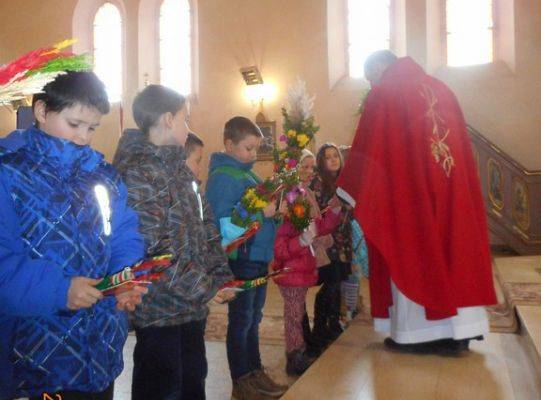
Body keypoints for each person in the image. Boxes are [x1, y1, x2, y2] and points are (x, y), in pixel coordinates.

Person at [336, 50, 497, 355]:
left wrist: (347, 189)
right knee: (454, 251)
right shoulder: (442, 89)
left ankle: (420, 335)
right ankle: (461, 329)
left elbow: (369, 152)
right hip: (452, 193)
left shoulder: (386, 94)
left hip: (410, 198)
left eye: (371, 77)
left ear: (380, 69)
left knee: (412, 252)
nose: (372, 85)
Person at [0, 71, 146, 400]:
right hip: (36, 351)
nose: (83, 137)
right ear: (41, 111)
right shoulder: (8, 172)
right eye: (74, 123)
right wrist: (61, 290)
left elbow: (123, 232)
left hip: (100, 346)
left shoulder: (103, 175)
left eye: (92, 128)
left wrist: (123, 276)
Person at [113, 85, 234, 400]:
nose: (188, 128)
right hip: (159, 308)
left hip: (190, 307)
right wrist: (205, 286)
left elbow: (206, 224)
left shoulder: (181, 171)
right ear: (168, 119)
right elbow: (154, 252)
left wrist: (219, 274)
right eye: (185, 119)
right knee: (162, 387)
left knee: (193, 383)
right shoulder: (139, 172)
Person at [206, 116, 287, 400]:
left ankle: (255, 372)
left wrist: (276, 208)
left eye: (255, 149)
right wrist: (261, 213)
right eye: (248, 148)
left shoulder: (248, 174)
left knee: (254, 318)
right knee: (241, 320)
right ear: (229, 145)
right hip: (242, 257)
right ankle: (241, 380)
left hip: (257, 254)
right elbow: (220, 222)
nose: (253, 154)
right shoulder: (224, 177)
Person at [273, 194, 341, 376]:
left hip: (300, 274)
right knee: (294, 316)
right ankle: (294, 357)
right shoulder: (285, 224)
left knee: (297, 314)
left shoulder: (304, 221)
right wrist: (301, 241)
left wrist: (334, 210)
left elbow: (323, 226)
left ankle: (298, 351)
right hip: (290, 275)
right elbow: (280, 251)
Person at [310, 143, 353, 351]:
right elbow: (317, 214)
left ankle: (333, 322)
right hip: (328, 242)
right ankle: (319, 326)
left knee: (339, 282)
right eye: (328, 157)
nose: (334, 159)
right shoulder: (318, 184)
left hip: (343, 240)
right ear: (321, 161)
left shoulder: (344, 181)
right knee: (331, 283)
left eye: (335, 155)